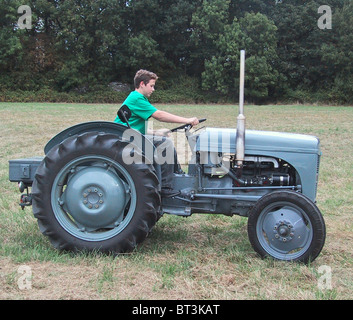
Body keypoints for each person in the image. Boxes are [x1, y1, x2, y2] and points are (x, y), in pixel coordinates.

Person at [114, 69, 199, 196]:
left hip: (131, 135)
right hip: (126, 139)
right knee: (166, 144)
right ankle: (165, 187)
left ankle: (178, 175)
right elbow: (159, 115)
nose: (153, 89)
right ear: (142, 84)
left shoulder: (136, 97)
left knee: (163, 141)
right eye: (151, 86)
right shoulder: (137, 98)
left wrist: (155, 132)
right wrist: (187, 120)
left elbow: (134, 125)